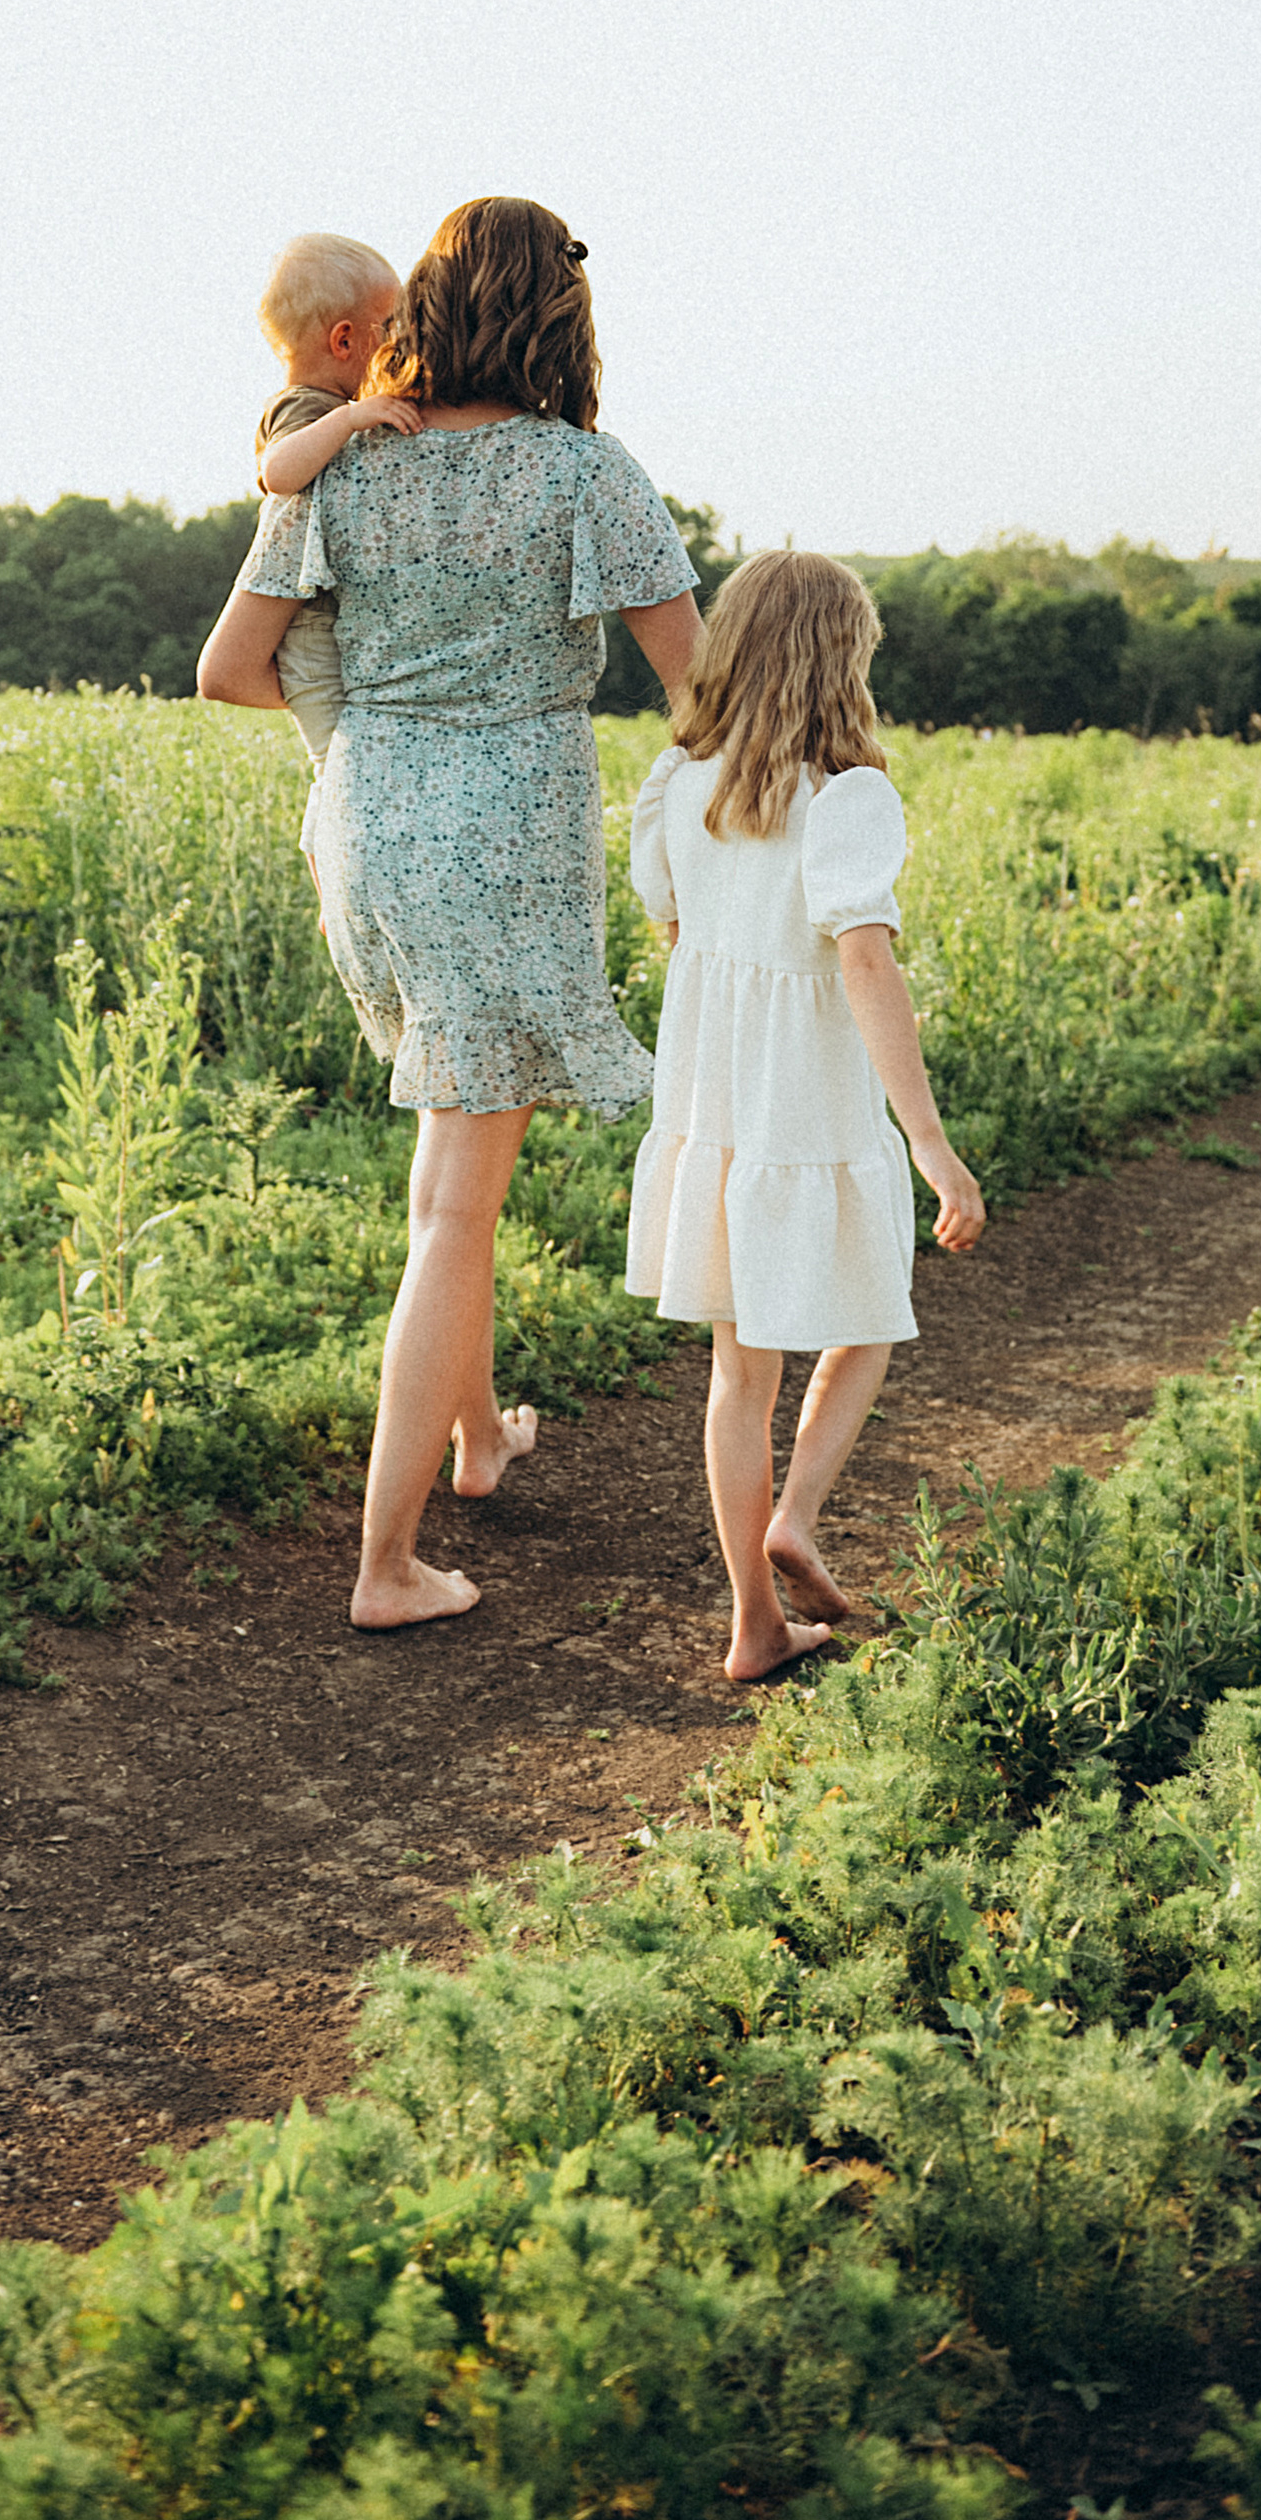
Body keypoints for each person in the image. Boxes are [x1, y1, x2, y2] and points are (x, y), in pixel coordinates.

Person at [199, 197, 699, 1632]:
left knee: (446, 1176)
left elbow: (232, 671)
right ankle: (386, 1567)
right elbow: (698, 685)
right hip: (504, 844)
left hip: (364, 834)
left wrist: (384, 721)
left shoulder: (342, 467)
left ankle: (479, 1441)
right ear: (561, 319)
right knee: (456, 1214)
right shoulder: (584, 474)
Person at [624, 549, 987, 1685]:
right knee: (868, 1310)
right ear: (844, 664)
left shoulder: (678, 783)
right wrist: (929, 1141)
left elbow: (679, 937)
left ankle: (751, 1618)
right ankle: (797, 1515)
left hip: (717, 1107)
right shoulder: (845, 799)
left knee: (740, 1374)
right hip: (811, 1104)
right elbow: (864, 963)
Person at [250, 233, 413, 782]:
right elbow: (279, 474)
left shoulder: (331, 409)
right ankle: (328, 859)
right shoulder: (306, 408)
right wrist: (349, 419)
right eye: (390, 327)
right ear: (344, 340)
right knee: (340, 769)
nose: (402, 341)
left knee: (343, 767)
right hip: (307, 632)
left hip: (331, 622)